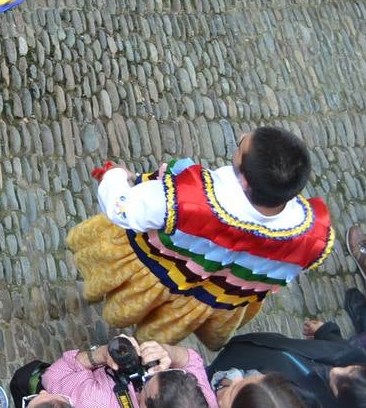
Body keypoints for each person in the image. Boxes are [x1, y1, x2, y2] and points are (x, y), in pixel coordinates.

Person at [68, 126, 334, 348]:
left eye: (240, 145)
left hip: (157, 270)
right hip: (212, 297)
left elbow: (122, 209)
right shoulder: (315, 237)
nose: (241, 135)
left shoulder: (188, 198)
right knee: (154, 338)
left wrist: (116, 176)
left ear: (245, 182)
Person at [207, 322, 366, 408]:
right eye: (352, 368)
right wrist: (326, 332)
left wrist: (230, 390)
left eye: (337, 386)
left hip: (224, 382)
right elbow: (348, 350)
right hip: (261, 348)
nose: (336, 370)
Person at [38, 337, 216, 408]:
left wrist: (99, 354)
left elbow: (53, 375)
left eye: (146, 383)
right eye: (155, 372)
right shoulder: (200, 400)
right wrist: (167, 352)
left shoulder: (92, 401)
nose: (144, 372)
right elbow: (192, 360)